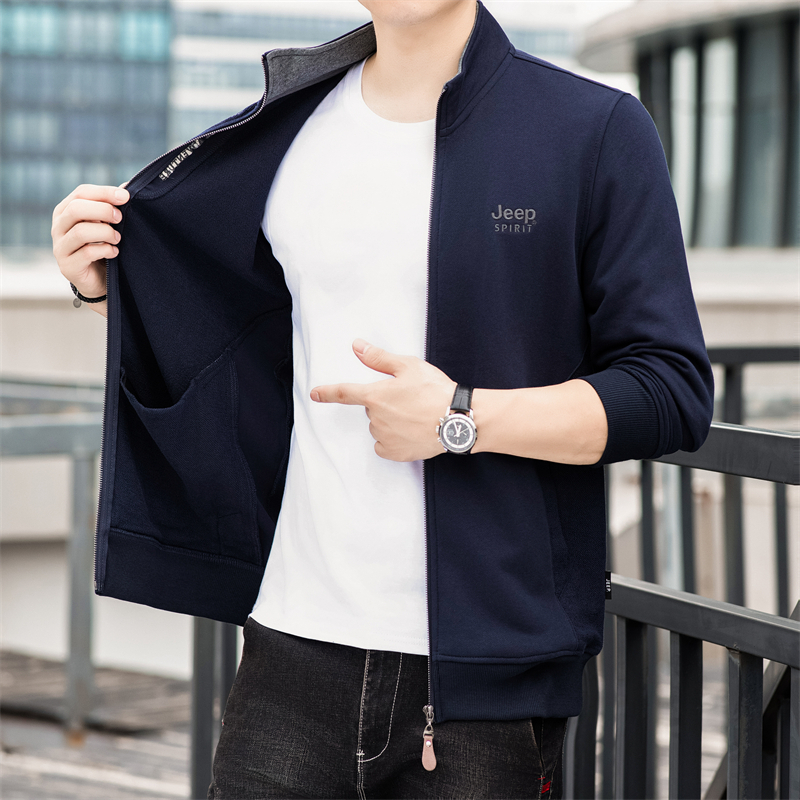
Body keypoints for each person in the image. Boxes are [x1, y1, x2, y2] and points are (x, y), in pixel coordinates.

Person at [51, 1, 714, 797]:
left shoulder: (593, 128)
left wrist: (461, 417)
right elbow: (234, 345)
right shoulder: (285, 131)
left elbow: (670, 389)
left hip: (487, 682)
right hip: (289, 650)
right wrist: (105, 289)